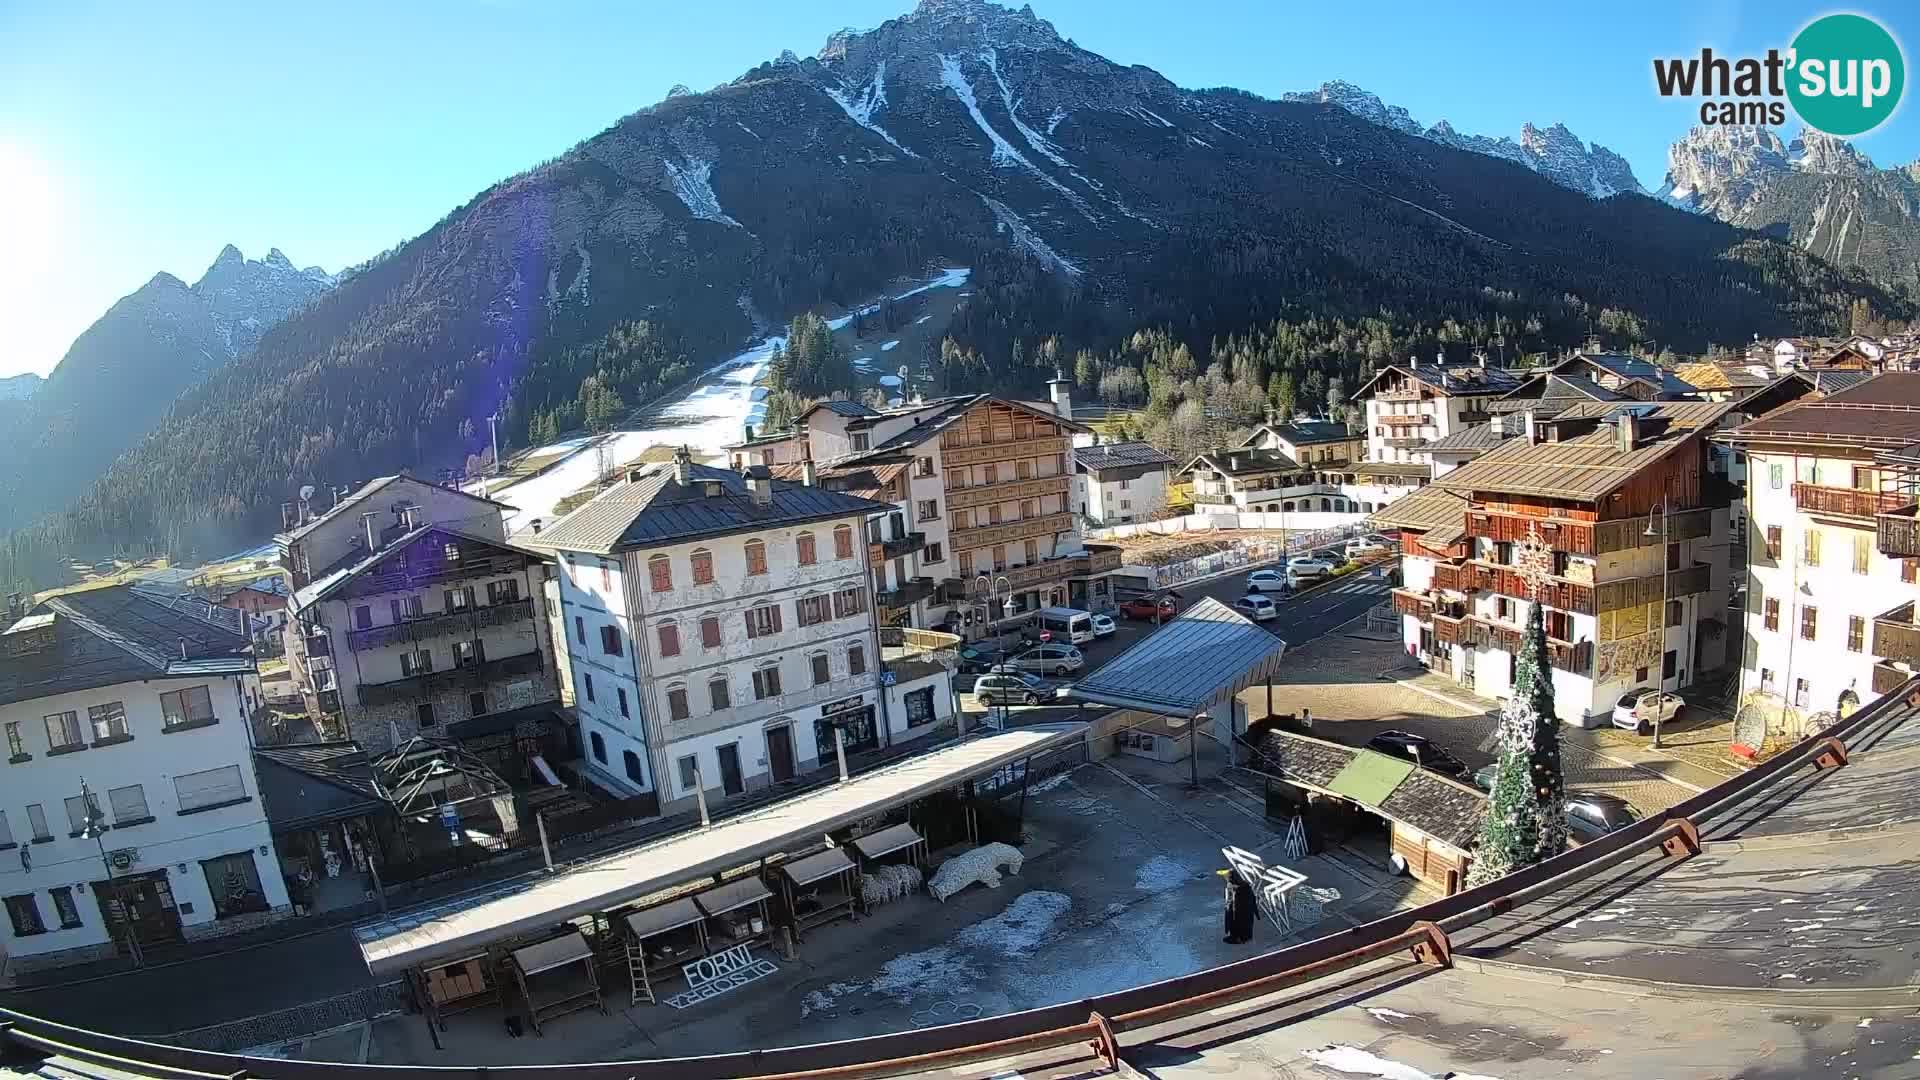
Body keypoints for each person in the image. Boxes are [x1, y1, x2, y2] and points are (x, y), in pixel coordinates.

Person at [1219, 867, 1256, 945]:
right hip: (1243, 907)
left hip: (1242, 909)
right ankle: (1240, 936)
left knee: (1238, 918)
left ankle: (1241, 937)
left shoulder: (1241, 890)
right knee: (1238, 917)